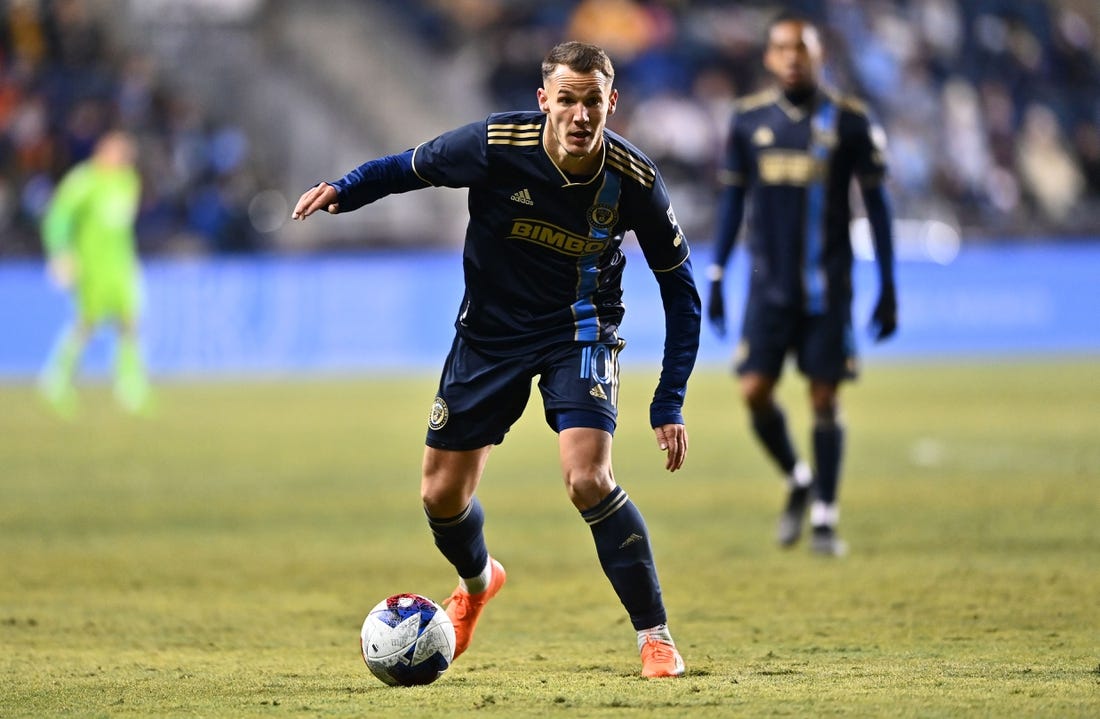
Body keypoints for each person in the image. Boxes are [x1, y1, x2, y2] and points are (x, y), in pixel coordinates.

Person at [292, 41, 700, 678]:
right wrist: (344, 190)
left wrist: (668, 399)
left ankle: (656, 637)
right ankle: (479, 582)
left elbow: (682, 290)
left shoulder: (635, 181)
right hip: (489, 333)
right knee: (440, 497)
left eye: (593, 101)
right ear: (545, 102)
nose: (580, 115)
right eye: (566, 100)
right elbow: (408, 167)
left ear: (611, 103)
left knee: (588, 478)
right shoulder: (495, 144)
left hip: (580, 331)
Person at [705, 14, 897, 556]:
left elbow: (878, 208)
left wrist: (888, 283)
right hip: (768, 289)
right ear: (769, 58)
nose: (792, 57)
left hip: (827, 289)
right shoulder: (747, 122)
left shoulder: (852, 121)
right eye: (783, 48)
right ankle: (798, 476)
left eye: (803, 49)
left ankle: (826, 518)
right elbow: (731, 202)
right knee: (754, 391)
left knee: (824, 398)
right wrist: (717, 274)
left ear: (821, 56)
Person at [38, 129, 151, 418]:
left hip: (121, 264)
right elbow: (58, 216)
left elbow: (120, 228)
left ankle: (129, 385)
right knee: (87, 323)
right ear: (102, 151)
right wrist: (60, 253)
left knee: (130, 322)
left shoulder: (128, 181)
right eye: (118, 151)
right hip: (90, 265)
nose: (123, 157)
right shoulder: (84, 181)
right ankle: (57, 377)